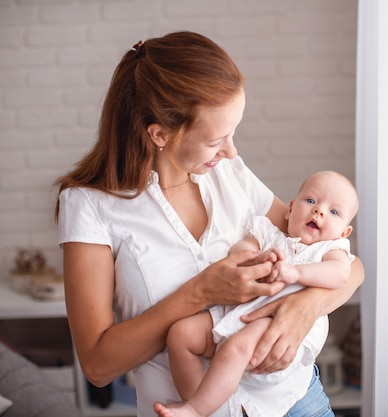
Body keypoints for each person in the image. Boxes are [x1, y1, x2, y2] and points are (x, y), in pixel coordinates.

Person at [54, 31, 364, 417]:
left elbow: (347, 265)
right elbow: (98, 366)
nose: (231, 151)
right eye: (216, 139)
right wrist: (200, 292)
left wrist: (303, 309)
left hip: (296, 402)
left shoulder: (228, 173)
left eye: (233, 134)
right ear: (160, 133)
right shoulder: (89, 206)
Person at [154, 170, 359, 417]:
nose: (319, 211)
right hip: (240, 315)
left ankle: (195, 409)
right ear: (290, 208)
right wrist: (255, 258)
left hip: (279, 329)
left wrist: (296, 273)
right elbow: (241, 250)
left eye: (334, 212)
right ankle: (199, 403)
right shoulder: (269, 234)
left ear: (344, 232)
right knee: (181, 335)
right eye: (311, 201)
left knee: (235, 347)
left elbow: (340, 274)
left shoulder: (330, 249)